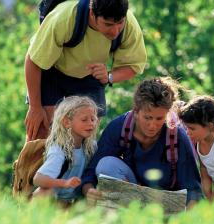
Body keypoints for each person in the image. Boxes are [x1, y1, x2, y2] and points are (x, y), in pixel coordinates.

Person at [24, 0, 147, 141]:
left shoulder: (129, 23)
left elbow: (134, 65)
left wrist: (109, 76)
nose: (115, 31)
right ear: (92, 14)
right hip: (53, 71)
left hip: (90, 77)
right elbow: (33, 60)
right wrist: (34, 107)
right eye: (108, 24)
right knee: (41, 134)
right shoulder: (64, 17)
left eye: (120, 23)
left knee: (84, 139)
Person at [81, 77, 203, 208]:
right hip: (132, 195)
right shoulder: (119, 128)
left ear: (168, 113)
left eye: (159, 118)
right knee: (106, 164)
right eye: (148, 117)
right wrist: (89, 191)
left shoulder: (177, 136)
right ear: (136, 111)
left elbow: (193, 189)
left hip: (166, 200)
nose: (153, 125)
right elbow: (90, 174)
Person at [33, 96, 98, 204]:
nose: (91, 123)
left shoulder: (91, 147)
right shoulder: (59, 150)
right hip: (55, 200)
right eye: (84, 119)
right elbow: (38, 179)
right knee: (44, 193)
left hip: (75, 202)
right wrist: (64, 183)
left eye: (93, 119)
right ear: (67, 122)